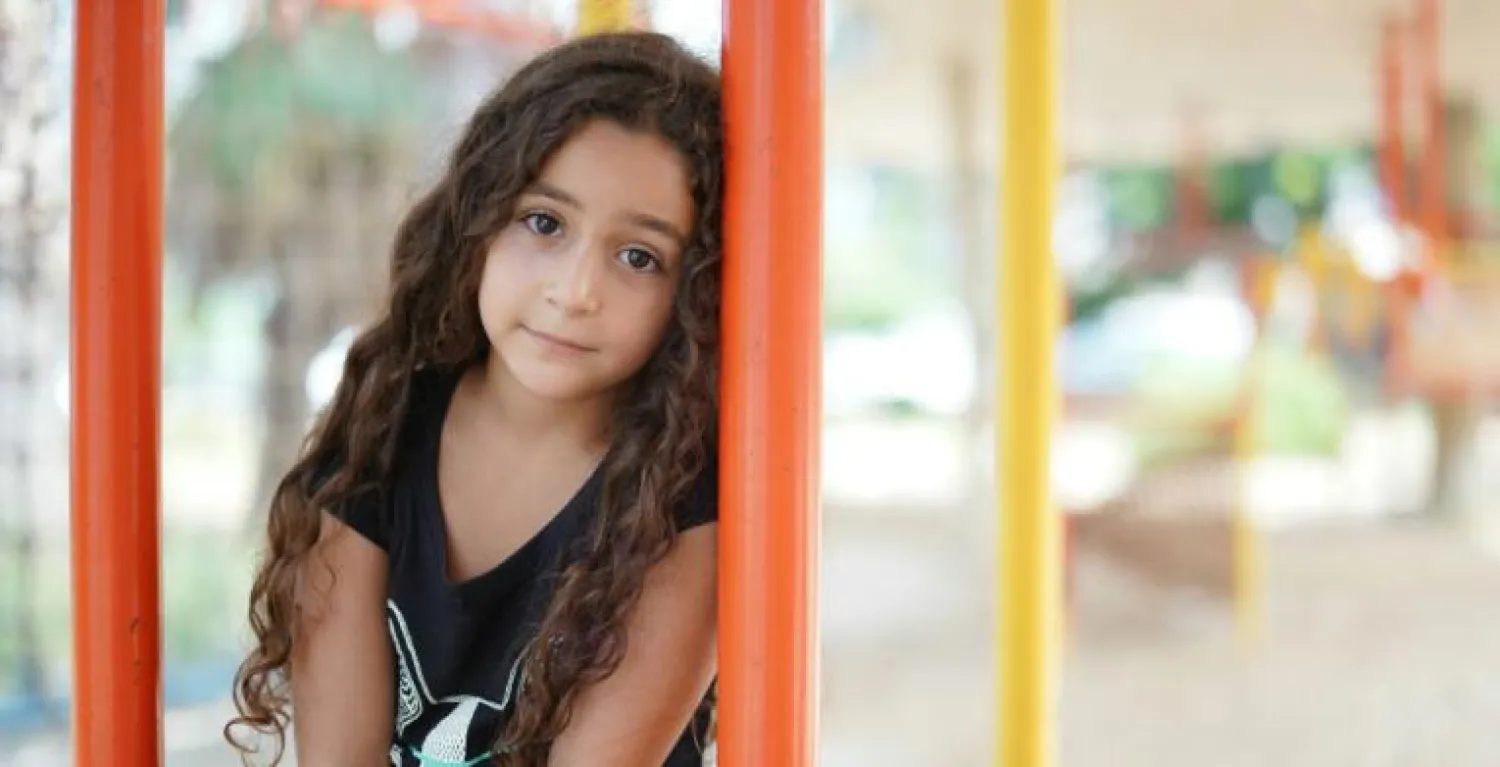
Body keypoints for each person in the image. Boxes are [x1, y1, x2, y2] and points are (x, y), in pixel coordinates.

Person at [225, 30, 724, 767]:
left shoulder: (685, 501)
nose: (575, 291)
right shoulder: (380, 431)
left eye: (638, 257)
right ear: (479, 219)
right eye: (545, 223)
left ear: (694, 294)